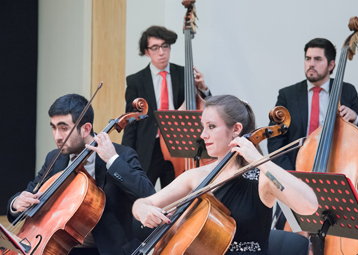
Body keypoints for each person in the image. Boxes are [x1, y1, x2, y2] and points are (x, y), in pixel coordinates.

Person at [132, 95, 318, 254]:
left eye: (211, 126)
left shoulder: (262, 179)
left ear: (236, 129)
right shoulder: (197, 176)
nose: (203, 135)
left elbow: (309, 205)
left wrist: (261, 161)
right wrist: (143, 210)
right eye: (203, 126)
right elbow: (143, 203)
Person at [7, 94, 156, 255]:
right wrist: (16, 203)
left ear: (85, 129)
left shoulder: (122, 155)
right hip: (63, 248)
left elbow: (149, 195)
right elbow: (32, 192)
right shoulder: (54, 158)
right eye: (54, 127)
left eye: (64, 128)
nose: (57, 137)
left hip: (108, 250)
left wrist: (112, 160)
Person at [122, 25, 210, 189]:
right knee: (144, 193)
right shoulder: (136, 81)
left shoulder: (184, 74)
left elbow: (205, 107)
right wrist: (126, 155)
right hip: (149, 147)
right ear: (146, 52)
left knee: (176, 194)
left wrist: (203, 88)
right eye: (155, 48)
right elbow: (131, 121)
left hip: (177, 146)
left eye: (165, 46)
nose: (161, 52)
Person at [268, 38, 358, 172]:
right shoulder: (287, 95)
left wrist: (355, 118)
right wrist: (290, 175)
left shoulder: (347, 91)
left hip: (337, 169)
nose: (311, 64)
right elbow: (275, 141)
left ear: (331, 65)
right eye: (308, 58)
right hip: (296, 170)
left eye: (317, 59)